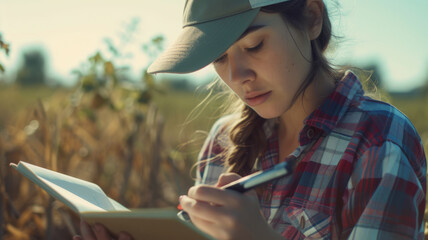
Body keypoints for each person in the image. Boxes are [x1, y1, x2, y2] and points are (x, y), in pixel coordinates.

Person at [75, 0, 427, 239]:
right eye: (218, 57)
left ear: (311, 18)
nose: (237, 74)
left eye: (254, 45)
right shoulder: (223, 140)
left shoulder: (380, 142)